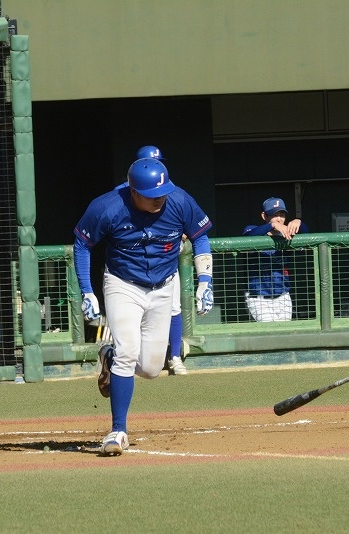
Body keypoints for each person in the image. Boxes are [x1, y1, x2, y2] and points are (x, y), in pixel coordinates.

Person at [74, 157, 213, 456]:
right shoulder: (108, 207)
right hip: (122, 284)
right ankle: (118, 430)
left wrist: (205, 281)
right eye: (151, 195)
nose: (159, 199)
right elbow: (82, 244)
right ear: (133, 191)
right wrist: (87, 291)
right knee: (127, 352)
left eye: (162, 193)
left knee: (150, 369)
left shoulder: (179, 201)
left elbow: (200, 237)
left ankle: (109, 357)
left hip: (163, 286)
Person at [134, 145, 187, 376]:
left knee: (174, 309)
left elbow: (192, 226)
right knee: (136, 313)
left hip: (167, 264)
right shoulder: (125, 194)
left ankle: (174, 357)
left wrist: (181, 231)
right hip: (135, 266)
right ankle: (132, 357)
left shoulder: (174, 194)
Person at [242, 197, 307, 321]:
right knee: (269, 330)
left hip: (282, 296)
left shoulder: (287, 235)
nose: (279, 219)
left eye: (282, 215)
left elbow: (306, 235)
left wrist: (299, 222)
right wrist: (272, 225)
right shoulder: (252, 229)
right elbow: (249, 236)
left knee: (285, 331)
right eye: (274, 215)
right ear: (264, 216)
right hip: (258, 298)